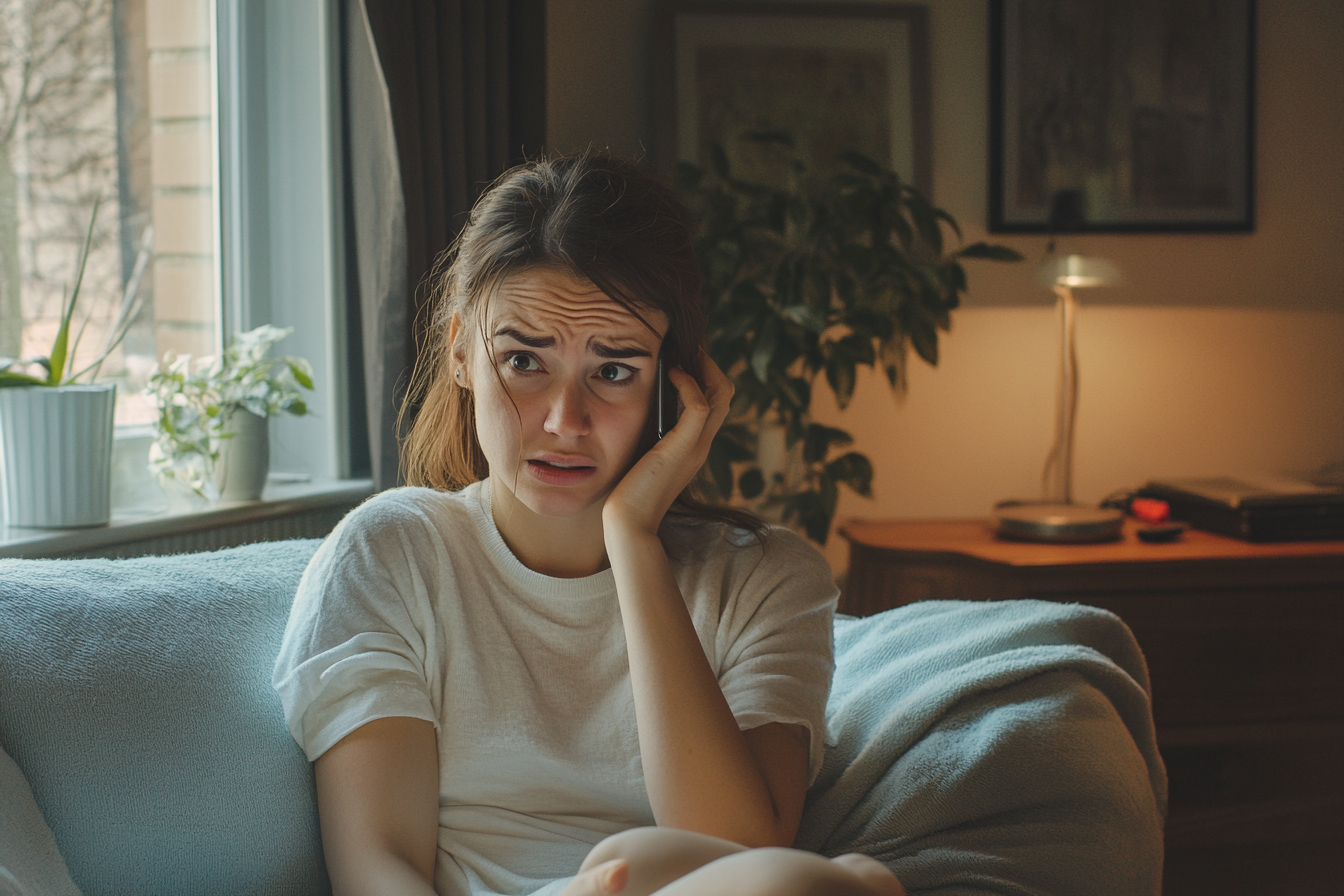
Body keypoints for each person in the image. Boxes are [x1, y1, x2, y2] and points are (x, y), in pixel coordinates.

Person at [272, 154, 907, 896]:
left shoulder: (767, 580)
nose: (565, 421)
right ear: (459, 356)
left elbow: (733, 849)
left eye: (613, 371)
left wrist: (633, 542)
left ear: (679, 389)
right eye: (523, 361)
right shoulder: (393, 555)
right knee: (840, 885)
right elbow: (378, 869)